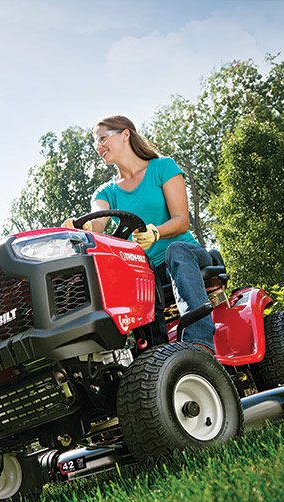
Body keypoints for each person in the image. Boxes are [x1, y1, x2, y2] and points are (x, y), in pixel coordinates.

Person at [63, 115, 216, 354]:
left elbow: (181, 222)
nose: (98, 147)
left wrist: (156, 232)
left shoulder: (162, 167)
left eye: (103, 138)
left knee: (175, 250)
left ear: (125, 134)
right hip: (148, 272)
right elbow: (98, 221)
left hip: (187, 256)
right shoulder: (106, 191)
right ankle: (155, 353)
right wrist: (81, 228)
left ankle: (201, 344)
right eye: (95, 142)